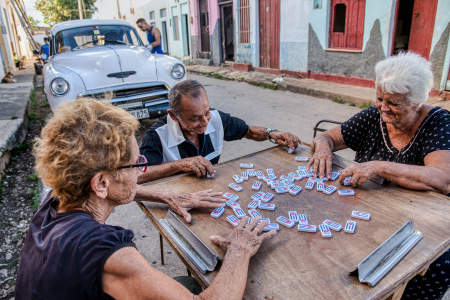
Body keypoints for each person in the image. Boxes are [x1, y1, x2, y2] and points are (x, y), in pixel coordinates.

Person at [15, 98, 276, 300]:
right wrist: (240, 250)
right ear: (102, 183)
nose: (141, 171)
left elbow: (118, 189)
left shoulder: (57, 197)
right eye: (136, 164)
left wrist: (167, 195)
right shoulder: (103, 250)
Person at [308, 52, 449, 300]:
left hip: (422, 230)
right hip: (372, 219)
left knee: (429, 271)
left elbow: (442, 178)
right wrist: (322, 148)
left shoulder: (439, 123)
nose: (384, 107)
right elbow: (326, 137)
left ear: (416, 102)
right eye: (380, 98)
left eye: (394, 103)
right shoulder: (373, 117)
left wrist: (380, 167)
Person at [139, 79, 302, 183]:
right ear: (174, 116)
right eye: (194, 119)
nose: (204, 122)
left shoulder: (216, 118)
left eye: (206, 112)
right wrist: (180, 165)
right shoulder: (157, 135)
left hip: (210, 189)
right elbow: (138, 175)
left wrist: (272, 133)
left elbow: (248, 131)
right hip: (176, 197)